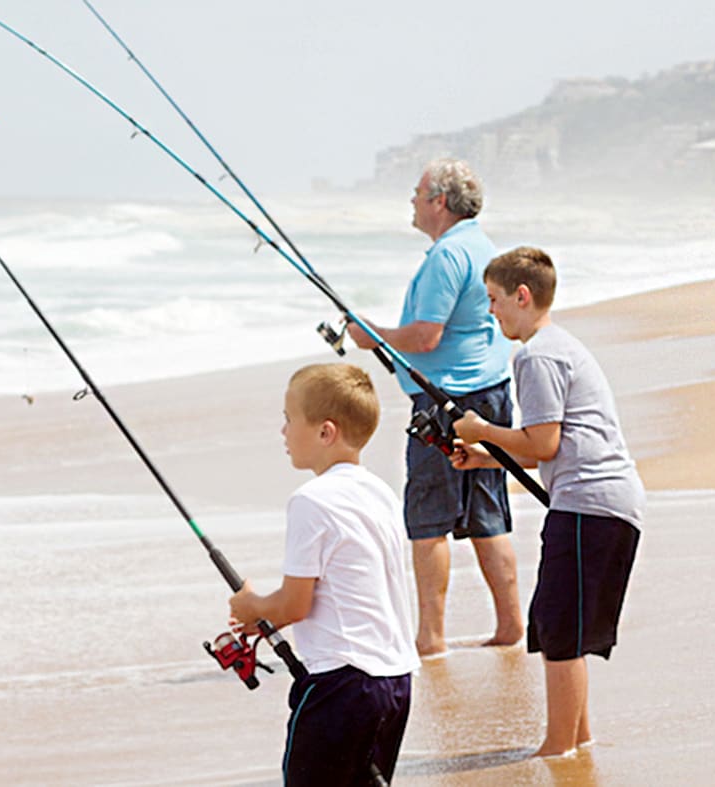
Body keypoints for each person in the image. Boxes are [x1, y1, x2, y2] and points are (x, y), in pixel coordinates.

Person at [450, 246, 644, 757]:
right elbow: (549, 447)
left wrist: (482, 429)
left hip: (589, 505)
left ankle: (558, 748)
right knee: (563, 628)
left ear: (522, 295)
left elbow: (544, 444)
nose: (491, 312)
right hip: (602, 504)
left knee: (560, 630)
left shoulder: (537, 354)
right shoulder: (559, 346)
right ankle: (576, 737)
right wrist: (484, 457)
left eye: (494, 300)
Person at [347, 158, 523, 656]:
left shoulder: (447, 256)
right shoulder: (481, 245)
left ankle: (431, 637)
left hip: (449, 401)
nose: (412, 201)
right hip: (489, 392)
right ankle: (510, 625)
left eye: (418, 193)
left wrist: (371, 335)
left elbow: (426, 336)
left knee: (429, 520)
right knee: (489, 515)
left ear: (439, 202)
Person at [229, 363, 420, 785]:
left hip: (342, 684)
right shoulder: (380, 493)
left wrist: (251, 607)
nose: (282, 431)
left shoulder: (310, 501)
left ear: (325, 432)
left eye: (289, 418)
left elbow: (296, 604)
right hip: (395, 680)